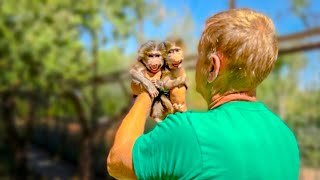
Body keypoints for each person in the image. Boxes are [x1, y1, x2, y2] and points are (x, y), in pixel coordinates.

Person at [107, 8, 300, 180]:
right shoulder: (287, 138)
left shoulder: (189, 131)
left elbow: (117, 162)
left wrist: (147, 90)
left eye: (200, 55)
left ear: (213, 67)